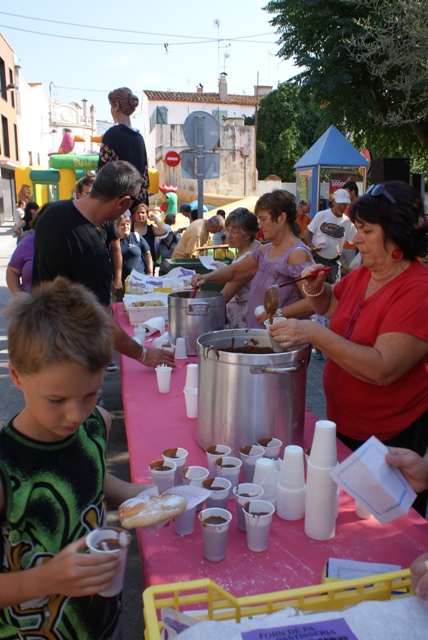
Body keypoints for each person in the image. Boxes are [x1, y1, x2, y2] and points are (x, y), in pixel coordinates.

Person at [0, 277, 150, 638]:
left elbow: (92, 478)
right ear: (17, 376)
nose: (76, 415)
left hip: (102, 619)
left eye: (90, 394)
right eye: (57, 400)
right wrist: (47, 579)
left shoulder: (98, 423)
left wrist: (135, 493)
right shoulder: (6, 469)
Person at [271, 181, 428, 514]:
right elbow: (331, 306)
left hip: (390, 443)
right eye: (357, 229)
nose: (355, 240)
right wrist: (315, 290)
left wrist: (314, 335)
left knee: (385, 536)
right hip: (345, 429)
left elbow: (383, 368)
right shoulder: (364, 273)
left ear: (396, 236)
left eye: (366, 231)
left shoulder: (418, 289)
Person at [32, 161, 174, 369]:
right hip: (70, 353)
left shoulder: (52, 212)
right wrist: (143, 354)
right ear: (123, 202)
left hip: (37, 336)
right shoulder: (90, 249)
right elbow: (101, 321)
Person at [191, 190, 314, 328]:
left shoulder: (297, 255)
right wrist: (206, 278)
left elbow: (313, 302)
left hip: (285, 341)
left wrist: (277, 313)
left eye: (263, 219)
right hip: (261, 336)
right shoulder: (264, 251)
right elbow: (234, 272)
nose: (260, 225)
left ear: (281, 218)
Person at [98, 87, 149, 204]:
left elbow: (103, 173)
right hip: (136, 202)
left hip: (116, 203)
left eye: (111, 106)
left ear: (116, 105)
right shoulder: (139, 138)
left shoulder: (111, 135)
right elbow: (145, 175)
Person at [303, 188, 356, 283]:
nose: (342, 207)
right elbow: (307, 232)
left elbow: (355, 239)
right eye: (340, 203)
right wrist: (310, 245)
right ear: (333, 201)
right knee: (315, 287)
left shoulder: (347, 222)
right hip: (318, 259)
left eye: (345, 204)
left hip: (334, 263)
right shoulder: (321, 215)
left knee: (333, 291)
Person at [220, 208, 260, 328]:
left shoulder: (250, 256)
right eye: (227, 231)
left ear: (248, 235)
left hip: (245, 322)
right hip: (237, 317)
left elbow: (225, 296)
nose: (229, 236)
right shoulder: (246, 249)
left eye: (235, 233)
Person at [6, 203, 50, 295]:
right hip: (30, 304)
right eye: (34, 209)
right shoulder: (26, 221)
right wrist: (22, 236)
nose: (36, 211)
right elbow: (12, 271)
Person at [117, 213, 153, 284]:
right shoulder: (113, 241)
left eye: (127, 224)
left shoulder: (136, 237)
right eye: (122, 224)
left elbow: (147, 254)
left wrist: (150, 272)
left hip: (140, 280)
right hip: (121, 283)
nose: (126, 226)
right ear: (117, 226)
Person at [130, 201, 167, 266]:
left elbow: (164, 231)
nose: (140, 215)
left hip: (149, 263)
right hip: (133, 262)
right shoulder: (129, 228)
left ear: (147, 215)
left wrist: (156, 219)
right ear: (134, 215)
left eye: (143, 212)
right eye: (138, 213)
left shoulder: (151, 229)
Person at [342, 181, 359, 270]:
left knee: (354, 270)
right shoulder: (346, 206)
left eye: (346, 192)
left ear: (353, 192)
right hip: (342, 244)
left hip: (354, 245)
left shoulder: (361, 206)